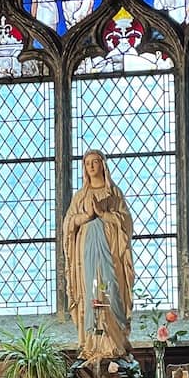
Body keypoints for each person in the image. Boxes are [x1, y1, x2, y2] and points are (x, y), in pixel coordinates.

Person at [62, 151, 134, 363]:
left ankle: (115, 344)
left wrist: (103, 214)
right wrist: (85, 217)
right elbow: (68, 224)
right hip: (86, 253)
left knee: (110, 288)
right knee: (90, 291)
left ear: (103, 165)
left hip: (110, 252)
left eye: (95, 162)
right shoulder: (80, 196)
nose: (91, 166)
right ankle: (92, 345)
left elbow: (127, 223)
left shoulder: (114, 193)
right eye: (87, 163)